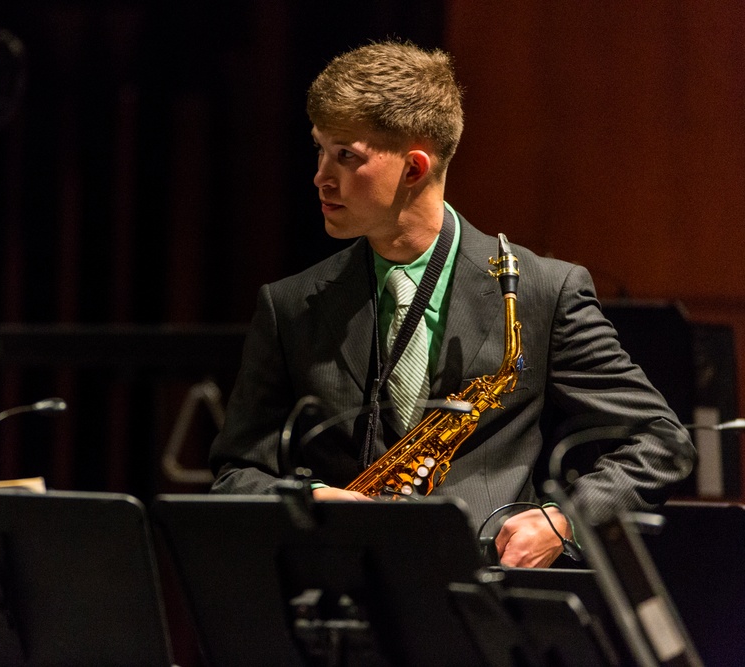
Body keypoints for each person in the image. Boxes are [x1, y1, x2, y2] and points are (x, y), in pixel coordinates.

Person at [209, 40, 693, 568]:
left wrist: (563, 519)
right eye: (319, 149)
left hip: (488, 595)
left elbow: (661, 441)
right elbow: (237, 472)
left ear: (414, 168)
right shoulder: (289, 305)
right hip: (346, 597)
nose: (321, 176)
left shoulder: (542, 291)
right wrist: (313, 500)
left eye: (346, 155)